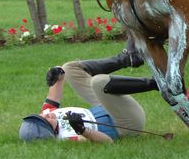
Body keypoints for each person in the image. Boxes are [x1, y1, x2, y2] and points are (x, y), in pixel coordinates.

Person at [19, 42, 157, 143]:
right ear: (49, 133)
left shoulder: (48, 113)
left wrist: (56, 72)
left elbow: (57, 83)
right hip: (127, 123)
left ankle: (128, 58)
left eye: (41, 116)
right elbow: (108, 141)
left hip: (105, 107)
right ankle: (157, 84)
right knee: (99, 83)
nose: (47, 115)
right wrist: (82, 130)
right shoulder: (67, 137)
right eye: (46, 121)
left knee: (69, 69)